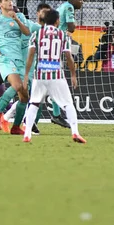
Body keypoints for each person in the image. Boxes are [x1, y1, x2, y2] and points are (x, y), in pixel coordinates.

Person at [22, 8, 86, 143]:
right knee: (68, 104)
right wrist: (73, 75)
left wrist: (26, 74)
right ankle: (75, 132)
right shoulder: (63, 35)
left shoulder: (36, 34)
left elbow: (31, 55)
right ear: (57, 21)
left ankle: (27, 134)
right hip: (56, 74)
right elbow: (68, 57)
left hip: (39, 74)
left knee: (34, 103)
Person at [0, 0, 31, 134]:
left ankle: (16, 127)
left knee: (25, 96)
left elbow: (27, 32)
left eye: (11, 0)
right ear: (0, 4)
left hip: (19, 60)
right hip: (5, 58)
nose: (10, 2)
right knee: (17, 86)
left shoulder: (20, 17)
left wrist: (16, 19)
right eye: (6, 0)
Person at [1, 3, 45, 135]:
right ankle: (2, 111)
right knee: (30, 94)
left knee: (29, 96)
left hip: (32, 65)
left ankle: (8, 117)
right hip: (25, 66)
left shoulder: (30, 27)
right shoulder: (21, 28)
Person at [49, 0, 83, 128]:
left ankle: (56, 115)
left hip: (54, 44)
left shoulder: (63, 6)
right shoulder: (69, 7)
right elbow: (71, 28)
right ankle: (56, 115)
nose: (82, 2)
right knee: (53, 81)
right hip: (56, 45)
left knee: (54, 81)